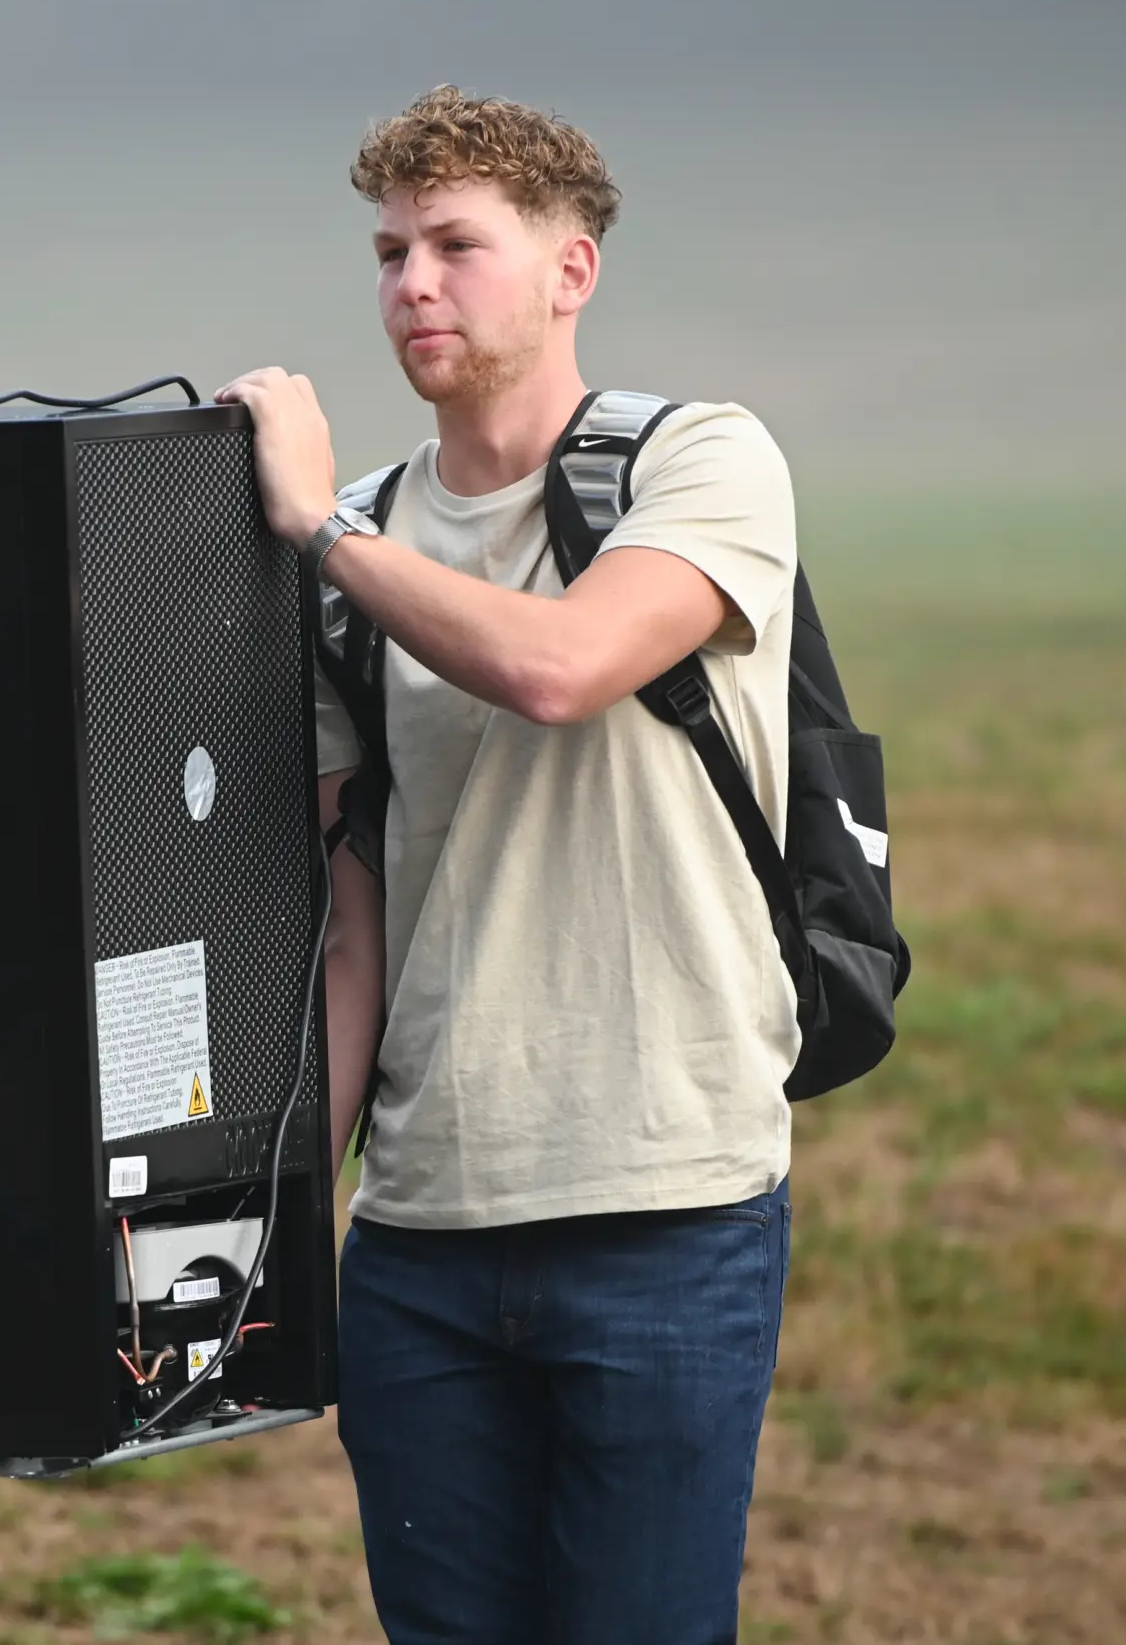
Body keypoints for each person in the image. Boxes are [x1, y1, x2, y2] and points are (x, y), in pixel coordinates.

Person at [218, 86, 800, 1644]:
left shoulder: (705, 465)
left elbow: (561, 667)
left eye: (458, 244)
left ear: (571, 269)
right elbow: (350, 925)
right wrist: (285, 1232)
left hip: (665, 1210)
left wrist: (317, 535)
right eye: (392, 249)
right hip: (419, 1233)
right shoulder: (354, 550)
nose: (413, 280)